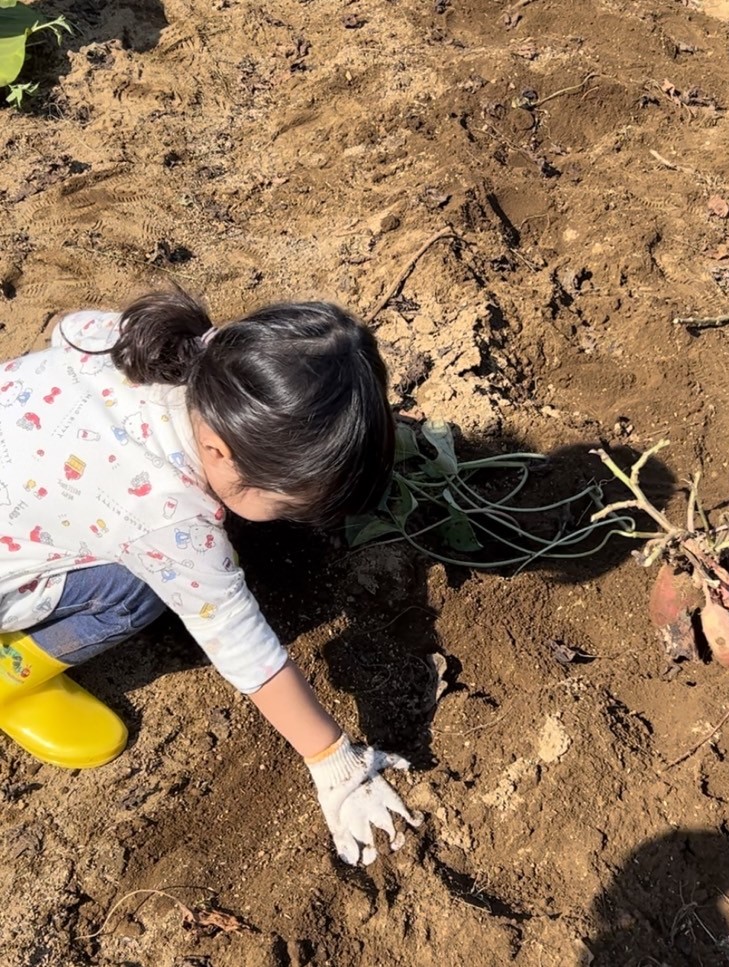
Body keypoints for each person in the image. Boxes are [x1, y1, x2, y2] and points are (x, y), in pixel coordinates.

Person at [0, 287, 421, 866]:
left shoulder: (167, 347)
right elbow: (237, 636)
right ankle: (12, 674)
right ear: (220, 452)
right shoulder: (165, 515)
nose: (299, 518)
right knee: (135, 592)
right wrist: (334, 763)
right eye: (292, 503)